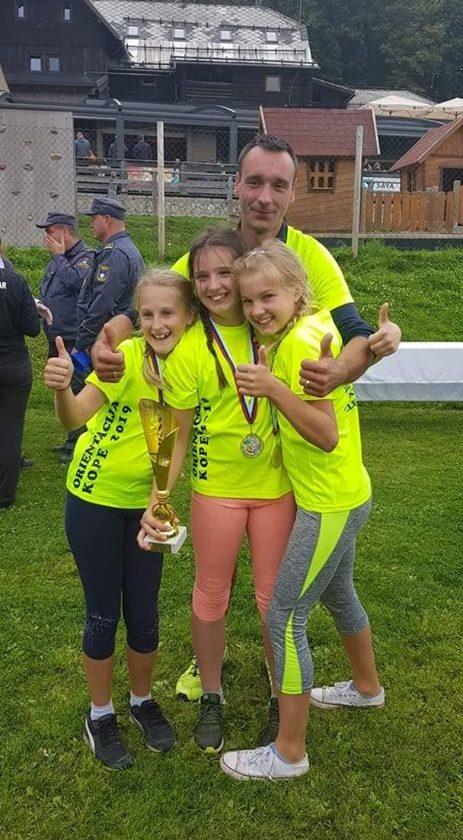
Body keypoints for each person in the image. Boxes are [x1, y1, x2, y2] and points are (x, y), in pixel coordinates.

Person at [90, 133, 402, 700]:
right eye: (254, 181)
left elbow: (356, 333)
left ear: (293, 193)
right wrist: (108, 338)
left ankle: (293, 675)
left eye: (278, 185)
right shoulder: (208, 255)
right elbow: (146, 309)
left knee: (279, 590)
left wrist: (339, 371)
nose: (264, 196)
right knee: (220, 576)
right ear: (236, 185)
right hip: (225, 465)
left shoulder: (311, 256)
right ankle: (215, 665)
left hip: (298, 464)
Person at [219, 240, 383, 780]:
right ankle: (367, 688)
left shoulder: (299, 347)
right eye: (248, 301)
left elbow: (326, 434)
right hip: (346, 493)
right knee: (339, 594)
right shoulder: (310, 329)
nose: (256, 310)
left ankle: (289, 752)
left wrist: (271, 389)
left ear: (297, 291)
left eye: (267, 297)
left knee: (284, 617)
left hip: (329, 502)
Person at [138, 227, 296, 754]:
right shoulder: (189, 349)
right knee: (210, 594)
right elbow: (175, 431)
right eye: (201, 276)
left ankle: (280, 694)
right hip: (217, 492)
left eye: (224, 272)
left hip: (276, 489)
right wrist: (159, 494)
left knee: (273, 598)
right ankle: (212, 693)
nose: (213, 285)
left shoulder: (272, 326)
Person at [44, 269, 196, 769]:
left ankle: (141, 701)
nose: (156, 324)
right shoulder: (127, 357)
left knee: (145, 612)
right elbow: (74, 417)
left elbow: (174, 438)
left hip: (143, 508)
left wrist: (158, 501)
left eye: (167, 313)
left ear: (189, 317)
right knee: (103, 612)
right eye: (147, 313)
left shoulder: (189, 367)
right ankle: (100, 713)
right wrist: (62, 389)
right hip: (93, 502)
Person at [36, 212, 94, 463]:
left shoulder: (86, 258)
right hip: (56, 334)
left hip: (74, 338)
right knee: (63, 387)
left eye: (50, 232)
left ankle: (79, 444)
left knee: (77, 386)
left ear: (64, 232)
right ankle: (71, 439)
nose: (46, 238)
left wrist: (59, 256)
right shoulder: (57, 261)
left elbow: (74, 282)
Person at [75, 197, 144, 370]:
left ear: (106, 220)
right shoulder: (127, 248)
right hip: (119, 336)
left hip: (107, 339)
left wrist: (83, 341)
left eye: (93, 219)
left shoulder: (115, 253)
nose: (90, 225)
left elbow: (103, 303)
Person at [0, 248, 40, 508]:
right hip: (14, 364)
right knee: (11, 429)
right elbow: (33, 328)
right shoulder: (16, 282)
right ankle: (4, 496)